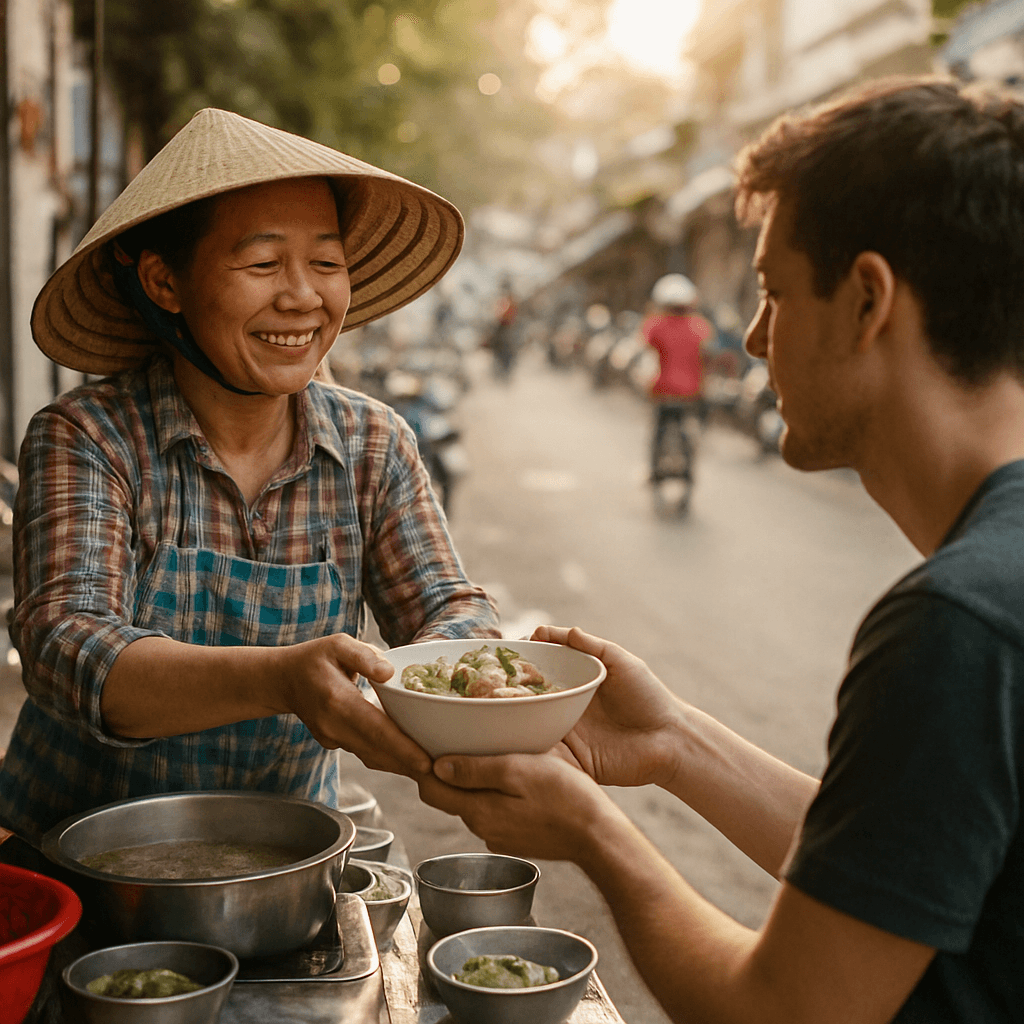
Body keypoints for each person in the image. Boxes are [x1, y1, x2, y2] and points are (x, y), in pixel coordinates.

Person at [419, 75, 1024, 1023]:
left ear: (868, 301)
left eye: (775, 294)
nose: (748, 336)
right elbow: (896, 862)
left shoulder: (958, 624)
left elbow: (780, 1010)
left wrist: (593, 831)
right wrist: (671, 744)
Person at [0, 108, 500, 846]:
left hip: (280, 861)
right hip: (74, 862)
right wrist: (281, 678)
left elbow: (447, 611)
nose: (303, 296)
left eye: (326, 264)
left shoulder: (374, 445)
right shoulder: (88, 436)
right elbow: (66, 645)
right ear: (165, 282)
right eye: (264, 264)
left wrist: (479, 673)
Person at [643, 273, 714, 481]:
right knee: (694, 424)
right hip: (693, 391)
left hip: (663, 389)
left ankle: (653, 469)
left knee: (658, 428)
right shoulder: (700, 326)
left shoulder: (655, 325)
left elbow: (646, 350)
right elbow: (708, 355)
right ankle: (690, 463)